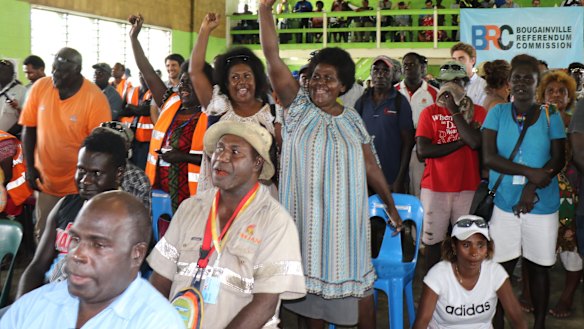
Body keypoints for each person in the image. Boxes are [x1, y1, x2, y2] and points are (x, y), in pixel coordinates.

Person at [259, 3, 403, 327]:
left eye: (330, 78)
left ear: (343, 86)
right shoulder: (298, 111)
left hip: (346, 233)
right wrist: (265, 10)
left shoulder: (352, 118)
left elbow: (371, 166)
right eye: (316, 76)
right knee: (313, 312)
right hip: (306, 232)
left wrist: (390, 206)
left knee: (362, 305)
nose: (319, 83)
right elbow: (272, 57)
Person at [148, 121, 306, 328]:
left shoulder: (276, 222)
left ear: (257, 163)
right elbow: (161, 278)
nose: (221, 157)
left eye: (235, 152)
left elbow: (265, 303)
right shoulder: (191, 208)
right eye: (220, 149)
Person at [2, 191, 185, 328]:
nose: (77, 254)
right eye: (75, 239)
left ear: (136, 254)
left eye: (99, 245)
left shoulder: (157, 321)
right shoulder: (36, 304)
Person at [482, 54, 566, 329]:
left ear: (536, 83)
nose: (520, 83)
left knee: (539, 268)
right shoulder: (496, 113)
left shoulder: (550, 114)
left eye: (527, 78)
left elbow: (558, 158)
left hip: (541, 205)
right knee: (501, 269)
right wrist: (530, 173)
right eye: (515, 78)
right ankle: (499, 323)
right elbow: (489, 157)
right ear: (508, 82)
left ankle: (539, 324)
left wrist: (531, 187)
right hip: (505, 204)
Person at [16, 129, 128, 298]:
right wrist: (21, 305)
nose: (85, 180)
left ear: (118, 174)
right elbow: (38, 265)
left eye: (96, 173)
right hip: (49, 296)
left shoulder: (125, 219)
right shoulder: (66, 204)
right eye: (81, 170)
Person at [20, 47, 112, 241]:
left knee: (74, 238)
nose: (55, 74)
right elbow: (29, 128)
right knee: (43, 234)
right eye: (54, 69)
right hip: (46, 182)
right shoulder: (40, 87)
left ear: (77, 71)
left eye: (61, 71)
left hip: (80, 188)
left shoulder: (95, 99)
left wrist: (91, 183)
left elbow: (101, 148)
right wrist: (29, 167)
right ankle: (45, 272)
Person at [190, 13, 279, 193]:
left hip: (258, 200)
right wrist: (205, 30)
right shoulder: (218, 107)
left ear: (257, 79)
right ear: (226, 82)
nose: (242, 82)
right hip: (218, 196)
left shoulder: (271, 115)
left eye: (247, 76)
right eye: (235, 77)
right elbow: (195, 71)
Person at [129, 14, 211, 212]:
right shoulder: (170, 103)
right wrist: (134, 38)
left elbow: (220, 159)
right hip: (159, 195)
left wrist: (184, 157)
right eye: (183, 81)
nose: (184, 86)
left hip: (195, 199)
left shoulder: (213, 113)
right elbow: (148, 72)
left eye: (191, 82)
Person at [416, 61, 487, 272]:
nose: (451, 86)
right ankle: (432, 285)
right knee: (433, 242)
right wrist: (460, 141)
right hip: (435, 186)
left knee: (466, 241)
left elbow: (476, 142)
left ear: (465, 85)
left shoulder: (479, 112)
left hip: (467, 186)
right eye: (445, 82)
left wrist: (454, 111)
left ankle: (463, 285)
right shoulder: (428, 113)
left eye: (456, 81)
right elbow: (423, 151)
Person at [413, 215, 527, 329]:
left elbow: (517, 318)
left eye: (480, 245)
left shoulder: (495, 273)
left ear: (487, 248)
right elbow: (422, 322)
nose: (474, 253)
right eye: (466, 245)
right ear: (454, 247)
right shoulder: (438, 275)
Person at [531, 70, 579, 319]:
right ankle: (529, 295)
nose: (557, 95)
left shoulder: (574, 121)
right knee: (535, 244)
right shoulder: (535, 118)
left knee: (570, 246)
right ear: (542, 94)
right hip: (538, 188)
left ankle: (567, 297)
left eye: (562, 91)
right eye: (551, 91)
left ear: (570, 96)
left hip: (568, 192)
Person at [355, 55, 414, 193]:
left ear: (392, 74)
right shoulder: (362, 102)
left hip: (392, 178)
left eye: (385, 71)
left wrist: (399, 179)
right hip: (366, 178)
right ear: (371, 74)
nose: (380, 75)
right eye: (376, 70)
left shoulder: (400, 102)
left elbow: (408, 143)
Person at [395, 52, 439, 197]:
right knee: (396, 191)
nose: (408, 68)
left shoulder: (434, 94)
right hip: (396, 150)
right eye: (405, 65)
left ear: (422, 68)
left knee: (417, 192)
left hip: (418, 153)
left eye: (412, 64)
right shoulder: (393, 92)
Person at [120, 73, 154, 169]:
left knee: (140, 166)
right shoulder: (131, 91)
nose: (143, 76)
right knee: (128, 165)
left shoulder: (154, 92)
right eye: (140, 74)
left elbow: (146, 110)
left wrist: (131, 108)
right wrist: (136, 109)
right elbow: (122, 110)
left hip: (146, 139)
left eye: (145, 74)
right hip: (129, 136)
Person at [0, 130, 33, 217]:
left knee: (7, 203)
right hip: (12, 181)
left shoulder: (4, 145)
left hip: (21, 184)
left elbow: (7, 177)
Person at [451, 42, 487, 106]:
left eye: (461, 59)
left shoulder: (484, 86)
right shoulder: (448, 86)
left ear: (473, 60)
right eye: (454, 59)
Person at [0, 59, 26, 134]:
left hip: (10, 140)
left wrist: (8, 135)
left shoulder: (22, 91)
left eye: (3, 70)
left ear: (12, 74)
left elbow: (25, 118)